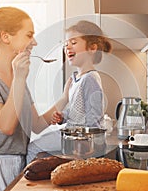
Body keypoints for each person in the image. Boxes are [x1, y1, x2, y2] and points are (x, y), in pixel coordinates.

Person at [0, 0, 65, 191]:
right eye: (29, 35)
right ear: (6, 37)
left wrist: (65, 97)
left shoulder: (18, 78)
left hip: (20, 164)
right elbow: (6, 126)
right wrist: (19, 78)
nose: (34, 42)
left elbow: (35, 124)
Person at [26, 20, 112, 162]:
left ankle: (25, 181)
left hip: (80, 140)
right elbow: (78, 112)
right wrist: (63, 116)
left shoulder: (90, 79)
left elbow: (94, 117)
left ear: (92, 48)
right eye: (66, 44)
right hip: (72, 135)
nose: (67, 47)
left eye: (73, 42)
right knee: (41, 152)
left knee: (33, 149)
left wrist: (88, 146)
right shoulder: (76, 79)